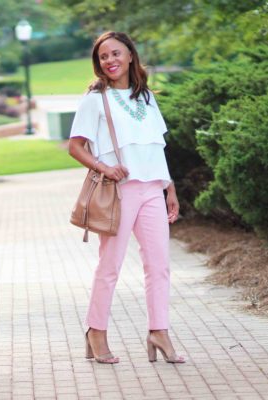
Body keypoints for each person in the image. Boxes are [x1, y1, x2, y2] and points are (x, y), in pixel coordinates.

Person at [68, 31, 186, 364]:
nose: (110, 61)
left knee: (159, 265)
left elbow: (156, 146)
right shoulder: (95, 99)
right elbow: (75, 147)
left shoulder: (146, 98)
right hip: (118, 193)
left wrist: (170, 187)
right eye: (104, 57)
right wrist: (103, 166)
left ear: (131, 55)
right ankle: (96, 332)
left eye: (116, 54)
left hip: (153, 190)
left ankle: (159, 332)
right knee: (110, 266)